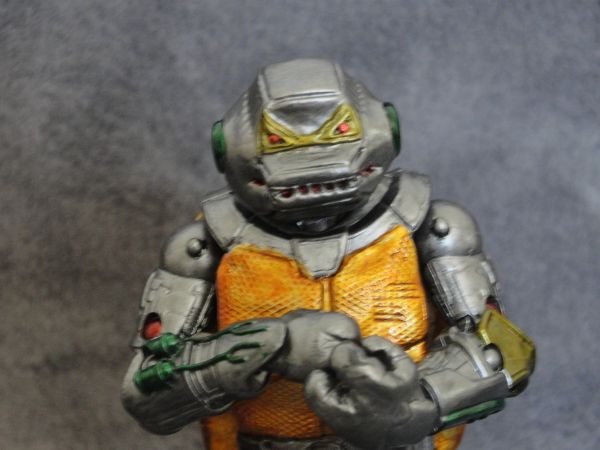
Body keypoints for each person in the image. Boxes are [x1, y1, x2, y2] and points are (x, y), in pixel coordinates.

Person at [121, 59, 535, 450]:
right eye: (281, 146)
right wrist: (269, 345)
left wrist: (417, 404)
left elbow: (502, 348)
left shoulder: (432, 227)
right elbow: (147, 391)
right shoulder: (203, 247)